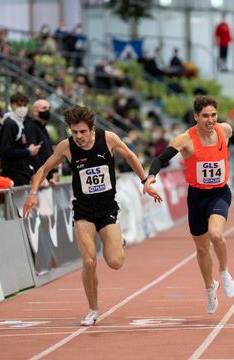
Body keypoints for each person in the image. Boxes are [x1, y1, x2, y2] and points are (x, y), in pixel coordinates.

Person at [23, 106, 162, 326]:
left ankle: (118, 241)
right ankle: (93, 309)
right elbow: (43, 170)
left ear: (92, 129)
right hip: (83, 211)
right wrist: (32, 194)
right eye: (74, 132)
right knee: (88, 261)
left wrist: (145, 181)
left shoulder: (108, 139)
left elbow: (130, 155)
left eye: (82, 132)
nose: (78, 137)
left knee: (115, 262)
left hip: (107, 209)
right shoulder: (66, 147)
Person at [143, 95, 234, 314]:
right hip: (196, 197)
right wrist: (151, 177)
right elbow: (161, 159)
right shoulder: (185, 139)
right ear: (196, 116)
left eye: (213, 115)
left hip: (219, 193)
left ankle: (224, 273)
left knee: (215, 235)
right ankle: (209, 288)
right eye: (205, 116)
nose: (210, 120)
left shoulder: (223, 130)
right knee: (201, 248)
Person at [0, 93, 41, 186]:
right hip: (13, 173)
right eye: (19, 105)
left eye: (25, 105)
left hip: (22, 172)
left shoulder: (20, 122)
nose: (22, 108)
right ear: (11, 105)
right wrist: (28, 151)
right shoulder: (9, 123)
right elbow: (7, 151)